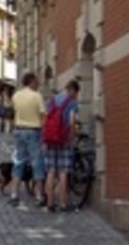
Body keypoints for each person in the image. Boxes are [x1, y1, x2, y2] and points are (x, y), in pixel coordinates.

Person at [6, 72, 46, 207]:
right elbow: (42, 115)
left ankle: (14, 193)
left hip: (19, 130)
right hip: (33, 131)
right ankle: (39, 195)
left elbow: (12, 113)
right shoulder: (37, 96)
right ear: (32, 82)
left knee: (18, 162)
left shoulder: (16, 96)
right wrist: (44, 133)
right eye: (37, 82)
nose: (38, 84)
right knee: (37, 162)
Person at [42, 79, 81, 212]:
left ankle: (50, 203)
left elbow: (45, 118)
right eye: (76, 93)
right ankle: (63, 203)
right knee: (63, 172)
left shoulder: (52, 100)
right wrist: (73, 136)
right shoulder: (72, 102)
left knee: (51, 171)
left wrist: (44, 138)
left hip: (50, 139)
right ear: (73, 91)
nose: (76, 96)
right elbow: (71, 121)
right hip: (63, 140)